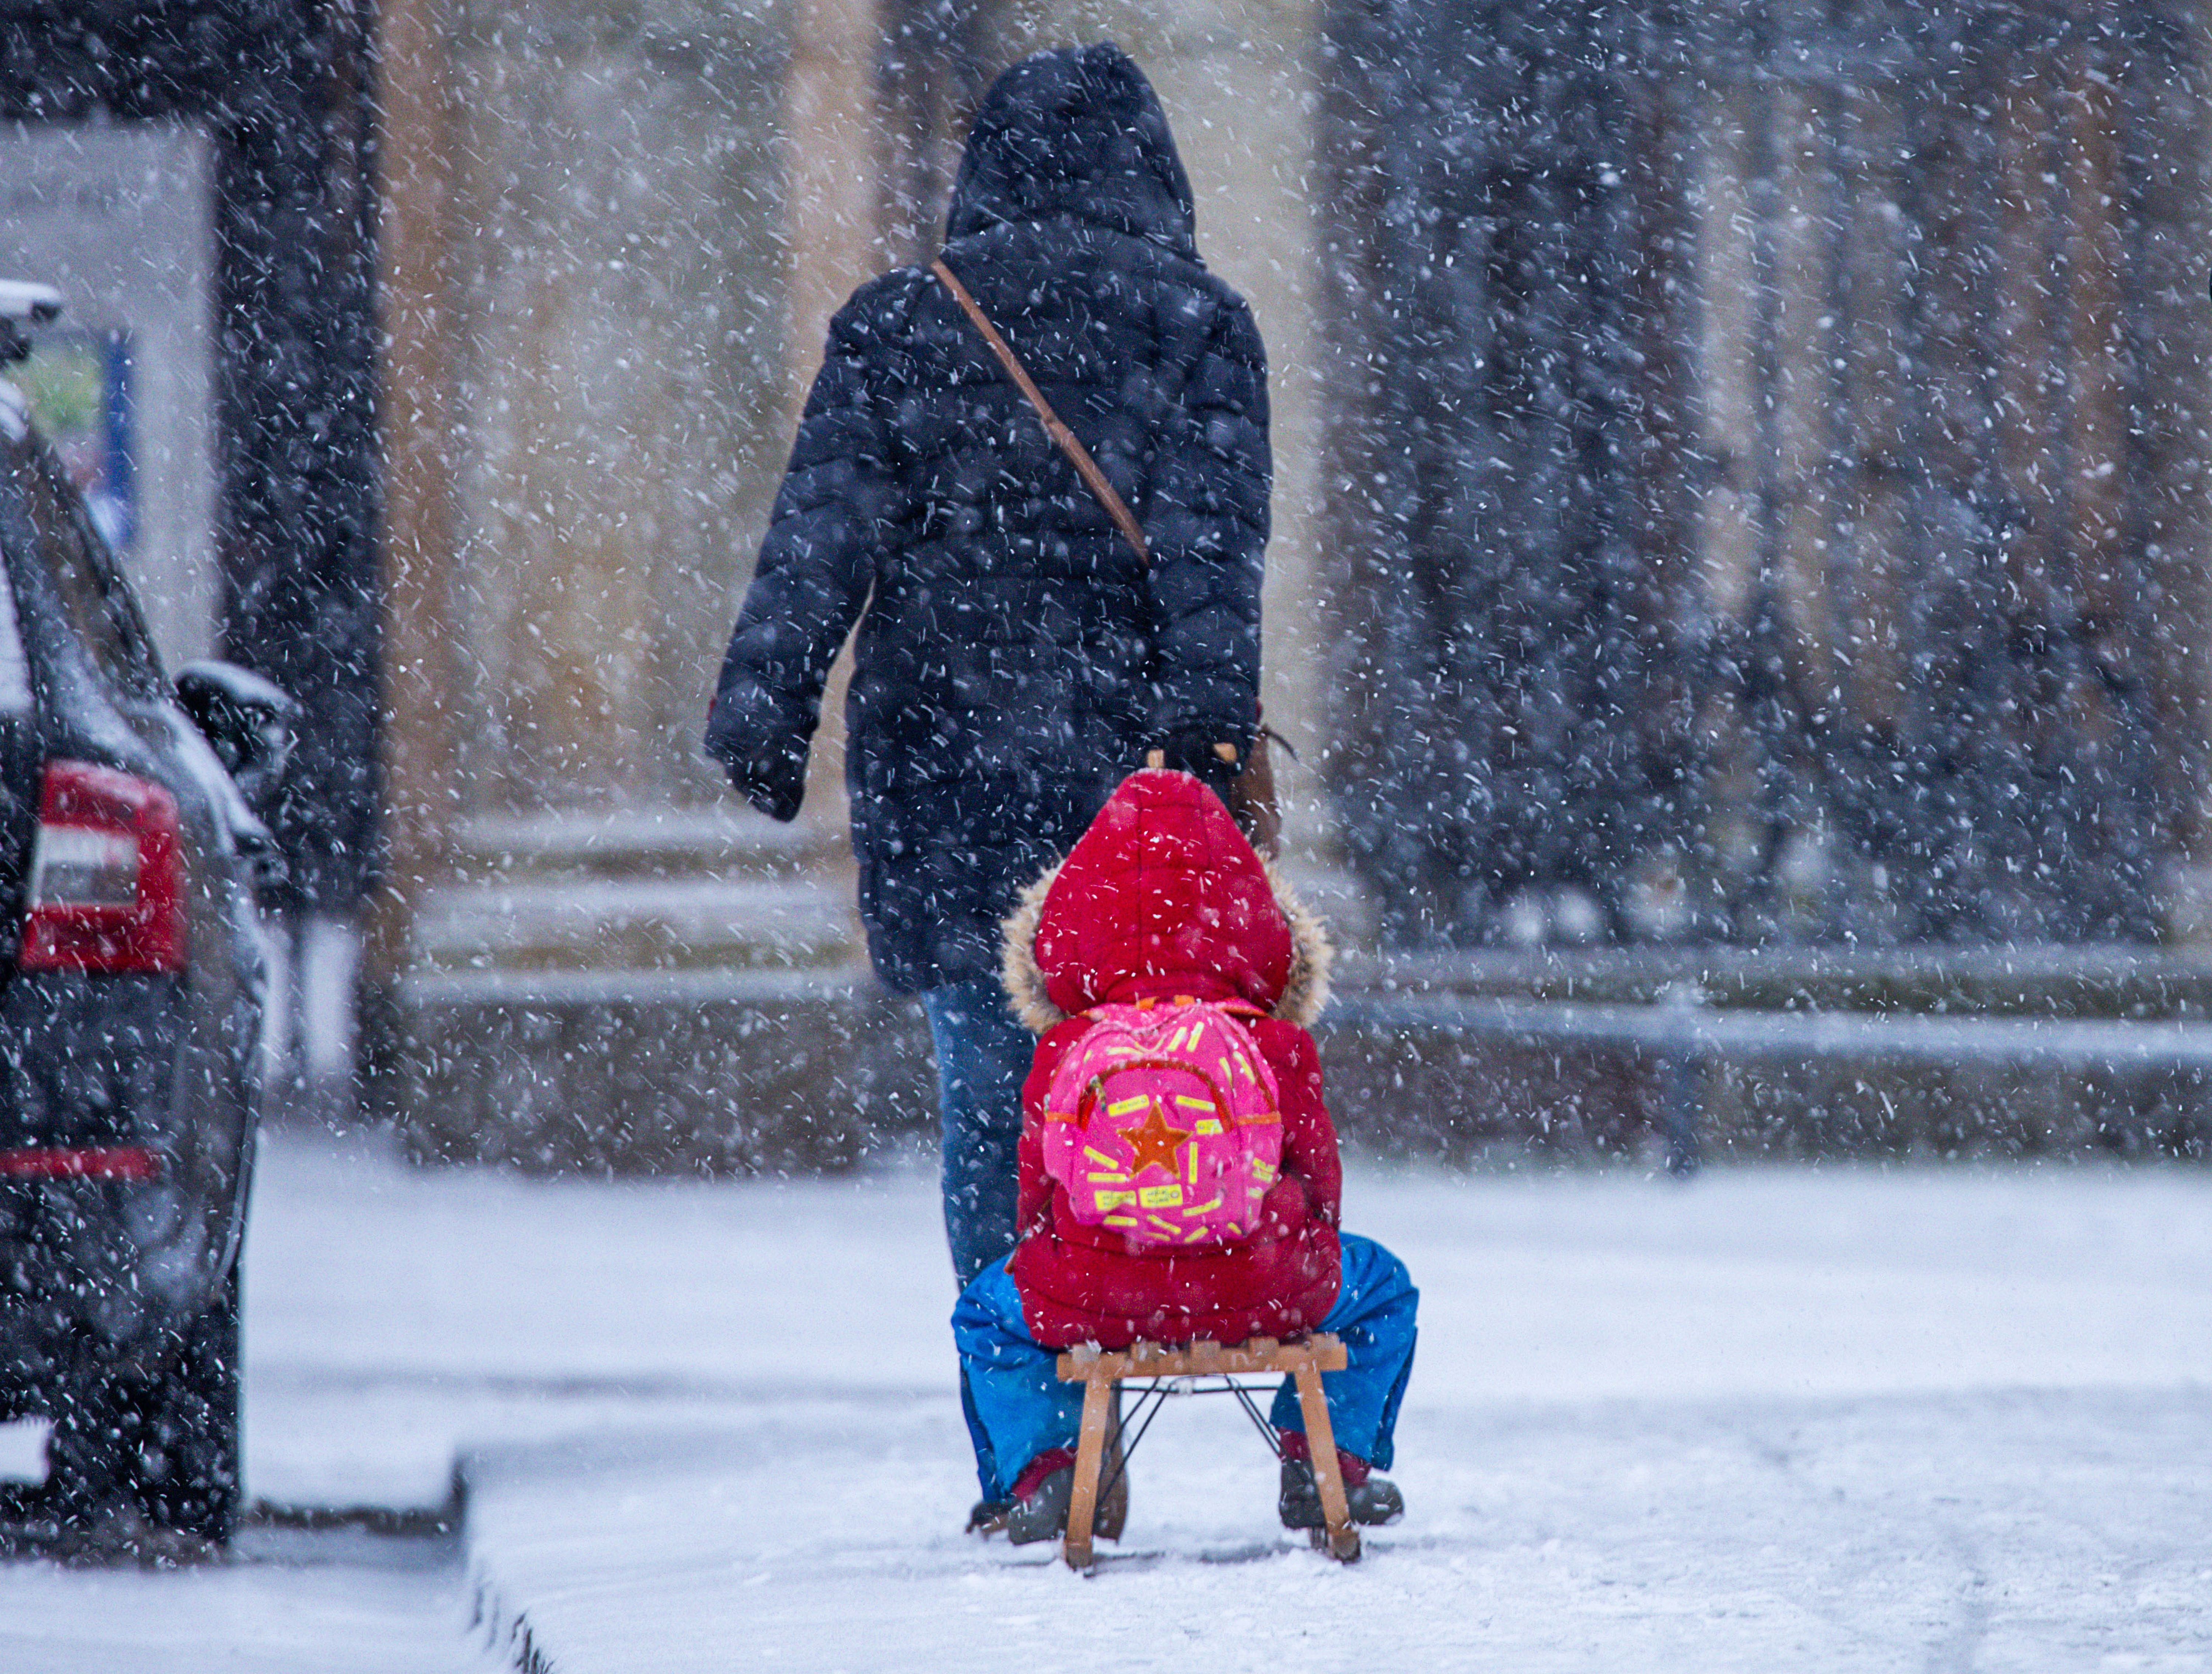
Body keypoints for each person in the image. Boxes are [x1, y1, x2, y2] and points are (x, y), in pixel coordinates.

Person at [704, 43, 1268, 1288]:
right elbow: (1210, 564)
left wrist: (766, 716)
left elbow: (820, 540)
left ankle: (1025, 1430)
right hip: (1127, 790)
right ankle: (1122, 1346)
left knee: (990, 1105)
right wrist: (1213, 745)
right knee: (1150, 1094)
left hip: (944, 771)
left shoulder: (900, 325)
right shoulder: (1199, 327)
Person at [955, 768, 1418, 1542]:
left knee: (984, 1313)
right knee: (1385, 1290)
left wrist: (1084, 1263)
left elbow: (1034, 1200)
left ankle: (1050, 1471)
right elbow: (1320, 1180)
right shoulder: (1274, 1042)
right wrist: (1290, 1249)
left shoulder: (1068, 1046)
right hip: (1266, 1283)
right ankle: (1324, 1463)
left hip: (1094, 1291)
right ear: (1259, 928)